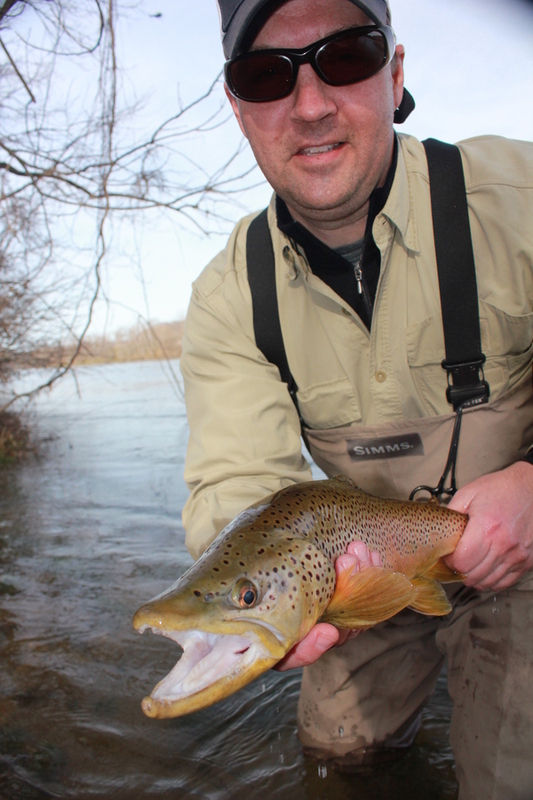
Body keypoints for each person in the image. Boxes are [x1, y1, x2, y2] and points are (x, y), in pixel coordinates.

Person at [180, 0, 533, 796]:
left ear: (395, 73)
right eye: (266, 75)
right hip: (351, 576)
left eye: (344, 57)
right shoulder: (228, 297)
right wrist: (262, 595)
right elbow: (240, 492)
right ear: (239, 109)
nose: (308, 105)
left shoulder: (520, 202)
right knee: (338, 763)